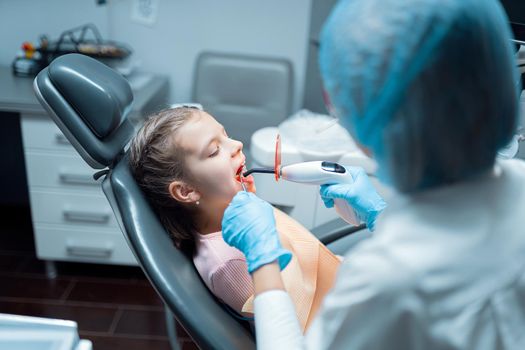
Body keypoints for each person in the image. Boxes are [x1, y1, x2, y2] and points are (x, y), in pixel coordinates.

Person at [221, 0, 525, 348]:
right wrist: (380, 214)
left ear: (366, 116)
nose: (233, 147)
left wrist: (263, 262)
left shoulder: (383, 281)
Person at [128, 106, 343, 331]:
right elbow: (289, 329)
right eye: (213, 151)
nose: (236, 145)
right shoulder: (228, 263)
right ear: (186, 191)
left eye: (226, 135)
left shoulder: (239, 209)